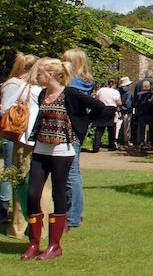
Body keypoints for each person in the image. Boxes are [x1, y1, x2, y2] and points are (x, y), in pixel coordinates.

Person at [23, 58, 104, 261]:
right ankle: (34, 243)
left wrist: (81, 125)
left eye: (40, 73)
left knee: (59, 194)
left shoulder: (70, 93)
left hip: (62, 151)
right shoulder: (43, 94)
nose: (37, 77)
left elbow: (99, 107)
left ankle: (54, 245)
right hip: (41, 149)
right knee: (32, 193)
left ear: (51, 74)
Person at [1, 53, 45, 235]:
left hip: (27, 138)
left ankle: (25, 224)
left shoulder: (31, 87)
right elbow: (5, 110)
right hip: (18, 136)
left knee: (22, 179)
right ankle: (12, 219)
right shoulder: (17, 85)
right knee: (15, 177)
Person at [61, 49, 95, 230]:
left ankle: (72, 216)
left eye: (65, 60)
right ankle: (73, 214)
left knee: (70, 173)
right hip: (78, 129)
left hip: (69, 130)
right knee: (73, 172)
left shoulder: (72, 84)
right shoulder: (87, 82)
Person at [92, 79, 122, 152]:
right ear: (114, 84)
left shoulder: (101, 90)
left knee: (99, 129)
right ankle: (111, 146)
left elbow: (95, 98)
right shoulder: (115, 92)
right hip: (111, 110)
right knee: (111, 129)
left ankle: (96, 146)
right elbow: (119, 102)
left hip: (101, 109)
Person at [132, 81, 153, 150]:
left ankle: (141, 142)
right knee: (151, 129)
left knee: (141, 129)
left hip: (141, 113)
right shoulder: (152, 94)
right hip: (150, 113)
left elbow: (135, 103)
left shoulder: (139, 94)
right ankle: (152, 142)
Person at [116, 77, 133, 148]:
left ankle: (115, 140)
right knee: (127, 127)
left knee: (117, 126)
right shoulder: (129, 92)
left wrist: (119, 109)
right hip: (127, 111)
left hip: (118, 110)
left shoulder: (118, 90)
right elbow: (128, 103)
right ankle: (127, 141)